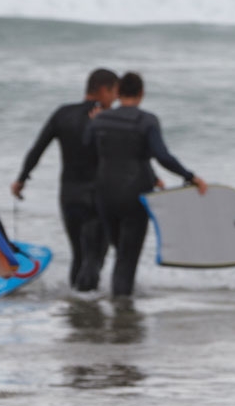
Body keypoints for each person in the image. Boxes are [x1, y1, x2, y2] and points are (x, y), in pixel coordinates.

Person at [84, 71, 207, 298]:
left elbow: (89, 151)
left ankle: (117, 301)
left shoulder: (99, 120)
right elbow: (162, 156)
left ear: (118, 92)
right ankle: (122, 309)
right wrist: (190, 176)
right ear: (141, 93)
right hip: (134, 196)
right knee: (127, 256)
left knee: (120, 250)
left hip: (104, 194)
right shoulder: (147, 121)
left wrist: (95, 124)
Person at [11, 67, 119, 292]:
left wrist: (21, 179)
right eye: (114, 92)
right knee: (94, 256)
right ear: (102, 90)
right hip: (98, 196)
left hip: (69, 195)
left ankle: (78, 307)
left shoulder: (63, 113)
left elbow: (38, 148)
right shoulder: (108, 118)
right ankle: (87, 305)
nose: (116, 98)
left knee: (79, 255)